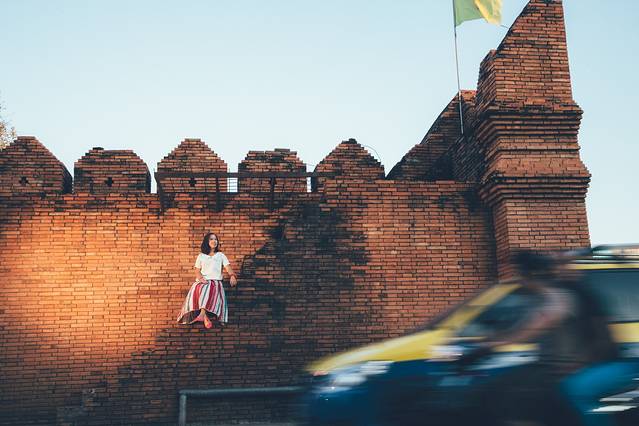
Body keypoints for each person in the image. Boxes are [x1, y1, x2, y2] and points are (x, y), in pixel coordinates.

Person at [459, 250, 622, 426]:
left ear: (527, 274)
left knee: (517, 398)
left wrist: (490, 345)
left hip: (570, 368)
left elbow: (534, 327)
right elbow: (521, 328)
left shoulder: (557, 297)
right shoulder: (542, 297)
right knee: (506, 392)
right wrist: (487, 341)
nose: (517, 279)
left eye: (518, 274)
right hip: (552, 367)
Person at [177, 232, 238, 329]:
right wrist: (201, 279)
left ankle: (203, 315)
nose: (214, 241)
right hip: (202, 281)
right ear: (207, 242)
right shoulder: (201, 256)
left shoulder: (221, 255)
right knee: (199, 287)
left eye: (215, 239)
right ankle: (204, 316)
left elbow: (228, 268)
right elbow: (197, 271)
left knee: (209, 287)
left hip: (215, 282)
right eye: (211, 239)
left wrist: (232, 276)